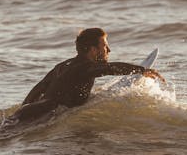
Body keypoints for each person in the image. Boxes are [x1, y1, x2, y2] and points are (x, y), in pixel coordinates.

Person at [10, 27, 165, 123]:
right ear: (93, 50)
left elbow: (38, 89)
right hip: (40, 115)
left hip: (28, 111)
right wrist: (141, 70)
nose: (108, 50)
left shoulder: (63, 65)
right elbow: (109, 68)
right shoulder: (85, 67)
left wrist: (22, 110)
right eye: (104, 46)